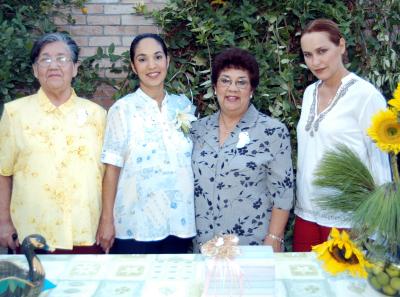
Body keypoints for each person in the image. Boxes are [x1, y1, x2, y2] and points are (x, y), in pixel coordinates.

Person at [0, 32, 106, 253]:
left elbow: (108, 176)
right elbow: (3, 171)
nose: (54, 65)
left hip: (86, 233)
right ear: (35, 70)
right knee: (36, 289)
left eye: (62, 58)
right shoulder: (14, 114)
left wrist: (108, 221)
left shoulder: (97, 115)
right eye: (45, 59)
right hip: (31, 235)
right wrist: (3, 222)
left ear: (75, 68)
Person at [294, 19, 392, 252]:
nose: (315, 62)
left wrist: (377, 226)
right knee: (306, 286)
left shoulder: (365, 95)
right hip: (306, 213)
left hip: (348, 219)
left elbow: (379, 163)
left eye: (322, 51)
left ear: (341, 45)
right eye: (308, 55)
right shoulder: (310, 93)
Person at [96, 33, 196, 254]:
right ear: (133, 66)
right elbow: (111, 170)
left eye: (158, 57)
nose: (152, 65)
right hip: (135, 226)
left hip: (179, 223)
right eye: (142, 59)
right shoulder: (122, 110)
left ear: (167, 61)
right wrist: (106, 220)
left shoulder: (184, 106)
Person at [191, 48, 294, 252]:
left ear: (252, 90)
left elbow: (283, 193)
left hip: (250, 245)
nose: (232, 88)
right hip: (204, 244)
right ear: (215, 87)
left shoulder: (273, 132)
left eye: (241, 82)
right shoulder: (197, 130)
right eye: (226, 80)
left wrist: (274, 238)